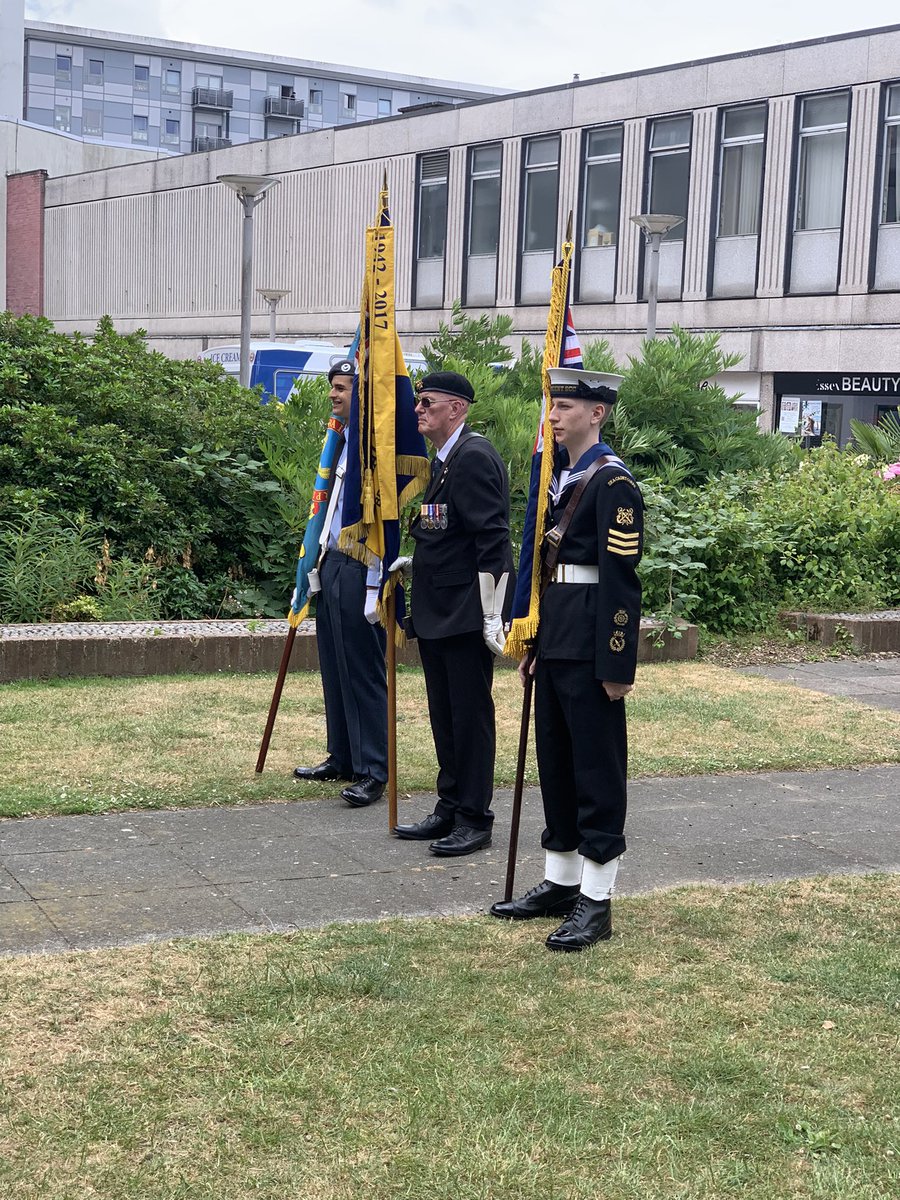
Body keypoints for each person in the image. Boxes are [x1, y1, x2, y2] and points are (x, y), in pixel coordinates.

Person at [490, 367, 643, 951]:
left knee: (596, 768)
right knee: (555, 759)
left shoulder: (612, 484)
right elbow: (549, 572)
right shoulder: (562, 479)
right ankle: (560, 881)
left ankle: (597, 897)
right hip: (558, 635)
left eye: (565, 406)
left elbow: (621, 583)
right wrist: (537, 644)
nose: (553, 415)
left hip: (590, 644)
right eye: (553, 404)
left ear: (597, 413)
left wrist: (615, 665)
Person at [391, 371, 515, 857]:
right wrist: (417, 560)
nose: (418, 410)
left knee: (469, 717)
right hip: (439, 608)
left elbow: (492, 539)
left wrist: (492, 611)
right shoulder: (445, 461)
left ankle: (474, 816)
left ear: (457, 409)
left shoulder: (474, 457)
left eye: (427, 403)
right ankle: (449, 804)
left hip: (464, 612)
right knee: (445, 714)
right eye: (419, 403)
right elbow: (449, 531)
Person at [292, 359, 388, 807]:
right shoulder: (342, 443)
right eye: (332, 387)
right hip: (332, 562)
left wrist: (374, 585)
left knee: (363, 670)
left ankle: (374, 768)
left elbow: (384, 524)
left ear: (363, 394)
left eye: (344, 388)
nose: (334, 394)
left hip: (361, 565)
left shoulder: (376, 454)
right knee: (333, 664)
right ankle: (343, 755)